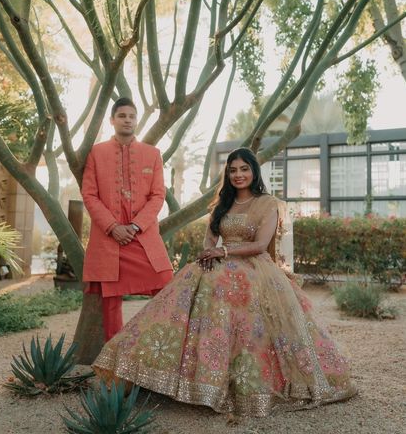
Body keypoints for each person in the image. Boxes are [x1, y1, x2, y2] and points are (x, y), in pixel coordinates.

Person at [92, 147, 356, 416]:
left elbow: (261, 244)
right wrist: (210, 252)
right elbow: (210, 237)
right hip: (220, 262)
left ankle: (235, 381)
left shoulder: (268, 203)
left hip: (254, 268)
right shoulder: (223, 203)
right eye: (232, 170)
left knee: (228, 294)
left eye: (244, 169)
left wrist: (224, 251)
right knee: (181, 294)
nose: (238, 175)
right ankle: (146, 364)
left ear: (254, 171)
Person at [81, 97, 173, 342]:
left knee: (167, 285)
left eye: (132, 116)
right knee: (110, 303)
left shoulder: (152, 154)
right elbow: (89, 194)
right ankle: (115, 362)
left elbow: (158, 195)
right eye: (122, 116)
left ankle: (154, 347)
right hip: (108, 239)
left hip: (141, 236)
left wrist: (134, 226)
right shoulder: (97, 153)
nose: (127, 120)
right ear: (112, 120)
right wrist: (113, 227)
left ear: (137, 121)